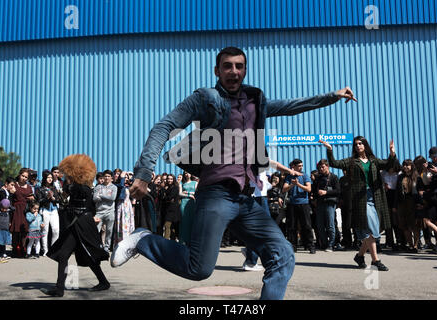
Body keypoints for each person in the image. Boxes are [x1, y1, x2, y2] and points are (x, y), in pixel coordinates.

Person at [111, 46, 356, 300]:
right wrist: (144, 171)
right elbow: (165, 126)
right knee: (199, 269)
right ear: (217, 71)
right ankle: (143, 240)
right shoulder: (205, 99)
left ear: (245, 71)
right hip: (215, 194)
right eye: (227, 66)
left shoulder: (255, 101)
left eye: (239, 66)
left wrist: (332, 96)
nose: (233, 71)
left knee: (284, 255)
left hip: (245, 199)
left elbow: (291, 105)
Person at [320, 136, 397, 271]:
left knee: (375, 229)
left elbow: (388, 164)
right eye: (356, 144)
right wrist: (330, 150)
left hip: (375, 197)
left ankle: (360, 256)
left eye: (360, 143)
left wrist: (392, 153)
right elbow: (334, 163)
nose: (358, 146)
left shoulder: (373, 160)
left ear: (365, 145)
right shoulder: (351, 161)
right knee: (371, 230)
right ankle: (375, 260)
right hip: (360, 199)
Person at [41, 154, 110, 297]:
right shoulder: (74, 187)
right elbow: (63, 199)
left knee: (89, 253)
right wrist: (53, 197)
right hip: (76, 224)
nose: (66, 175)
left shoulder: (82, 188)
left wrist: (65, 189)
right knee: (64, 254)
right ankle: (59, 288)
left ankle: (103, 282)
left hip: (82, 224)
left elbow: (76, 197)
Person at [282, 159, 316, 253]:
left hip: (303, 203)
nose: (301, 167)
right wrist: (292, 185)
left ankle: (310, 245)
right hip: (292, 204)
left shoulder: (305, 176)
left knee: (307, 225)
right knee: (292, 226)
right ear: (294, 166)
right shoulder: (289, 176)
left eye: (302, 165)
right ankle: (293, 245)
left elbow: (309, 189)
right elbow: (284, 189)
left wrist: (298, 184)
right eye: (299, 166)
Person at [312, 159, 340, 252]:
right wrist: (315, 199)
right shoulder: (318, 178)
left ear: (327, 166)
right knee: (319, 225)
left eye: (323, 167)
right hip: (320, 203)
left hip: (330, 203)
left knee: (330, 225)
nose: (321, 168)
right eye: (319, 167)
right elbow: (314, 190)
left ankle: (331, 244)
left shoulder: (334, 177)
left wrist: (326, 192)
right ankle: (324, 244)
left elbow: (338, 191)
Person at [393, 159, 420, 253]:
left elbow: (420, 190)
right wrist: (395, 205)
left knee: (415, 225)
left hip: (413, 203)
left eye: (407, 165)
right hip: (402, 203)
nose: (405, 167)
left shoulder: (416, 176)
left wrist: (420, 203)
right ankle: (411, 245)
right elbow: (397, 192)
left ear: (412, 166)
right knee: (404, 225)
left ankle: (416, 245)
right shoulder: (400, 177)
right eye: (404, 165)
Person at [11, 168, 35, 258]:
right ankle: (14, 249)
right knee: (16, 230)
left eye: (26, 177)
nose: (24, 178)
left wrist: (31, 199)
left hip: (26, 210)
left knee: (24, 230)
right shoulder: (14, 185)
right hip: (16, 209)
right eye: (23, 176)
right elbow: (10, 197)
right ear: (19, 175)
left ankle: (23, 248)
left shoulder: (29, 187)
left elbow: (32, 199)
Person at [36, 171, 61, 256]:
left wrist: (53, 197)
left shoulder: (53, 188)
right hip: (45, 210)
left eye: (51, 177)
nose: (50, 179)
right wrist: (47, 197)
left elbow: (58, 199)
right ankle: (45, 250)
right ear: (44, 178)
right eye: (48, 177)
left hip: (54, 210)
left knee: (56, 230)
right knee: (45, 231)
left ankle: (53, 249)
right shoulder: (40, 188)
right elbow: (39, 201)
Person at [92, 170, 117, 252]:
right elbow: (95, 198)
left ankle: (107, 246)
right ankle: (95, 245)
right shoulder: (98, 187)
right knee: (95, 229)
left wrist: (101, 195)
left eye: (108, 176)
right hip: (99, 212)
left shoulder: (114, 187)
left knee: (109, 230)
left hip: (110, 211)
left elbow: (112, 198)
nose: (106, 178)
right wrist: (106, 197)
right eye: (105, 176)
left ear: (111, 178)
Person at [114, 171, 135, 245]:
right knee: (120, 222)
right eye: (124, 178)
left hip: (128, 206)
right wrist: (122, 178)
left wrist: (130, 177)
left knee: (128, 223)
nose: (126, 179)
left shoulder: (129, 186)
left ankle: (128, 241)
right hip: (121, 205)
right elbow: (120, 186)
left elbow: (134, 183)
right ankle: (120, 241)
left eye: (126, 178)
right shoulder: (118, 185)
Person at [179, 172, 198, 246]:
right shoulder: (182, 183)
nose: (187, 175)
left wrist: (188, 193)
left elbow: (196, 192)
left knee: (192, 220)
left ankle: (192, 241)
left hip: (192, 203)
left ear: (191, 174)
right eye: (185, 173)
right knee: (184, 221)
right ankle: (183, 240)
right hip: (184, 202)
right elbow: (180, 193)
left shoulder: (195, 183)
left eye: (188, 173)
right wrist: (189, 194)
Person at [160, 174, 180, 240]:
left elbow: (170, 197)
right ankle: (171, 242)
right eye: (168, 179)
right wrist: (167, 197)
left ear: (173, 179)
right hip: (167, 210)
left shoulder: (175, 187)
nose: (169, 180)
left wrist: (167, 197)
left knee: (168, 226)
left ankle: (166, 242)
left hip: (173, 210)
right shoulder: (166, 187)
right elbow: (164, 198)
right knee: (170, 227)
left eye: (171, 179)